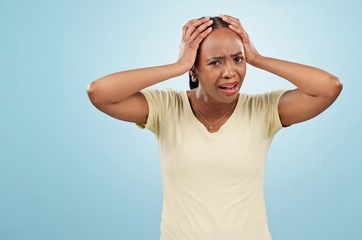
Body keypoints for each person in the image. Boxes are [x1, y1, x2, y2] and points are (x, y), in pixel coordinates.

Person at [87, 14, 342, 240]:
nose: (230, 72)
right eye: (215, 62)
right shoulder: (166, 107)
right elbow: (100, 92)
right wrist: (177, 66)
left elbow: (328, 87)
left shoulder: (263, 110)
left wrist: (257, 58)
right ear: (194, 69)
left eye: (237, 59)